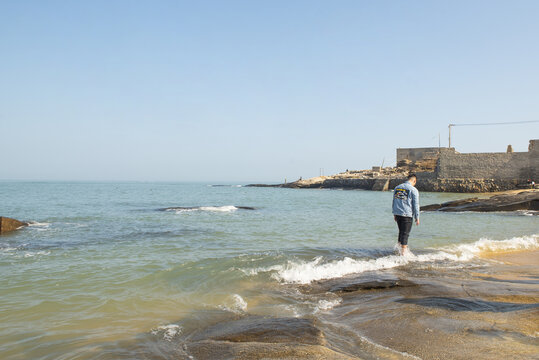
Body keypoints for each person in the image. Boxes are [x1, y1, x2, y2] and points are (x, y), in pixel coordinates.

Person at [392, 173, 420, 255]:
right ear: (414, 181)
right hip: (407, 214)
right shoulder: (413, 190)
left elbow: (394, 201)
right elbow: (416, 205)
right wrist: (417, 217)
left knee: (401, 232)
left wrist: (394, 213)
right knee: (405, 234)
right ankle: (403, 254)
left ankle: (398, 251)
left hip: (397, 214)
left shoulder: (397, 187)